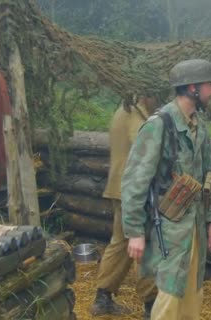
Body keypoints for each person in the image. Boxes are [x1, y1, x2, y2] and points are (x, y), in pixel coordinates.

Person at [121, 59, 211, 320]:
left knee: (191, 296)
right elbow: (135, 180)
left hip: (195, 226)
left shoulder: (199, 126)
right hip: (170, 230)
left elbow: (209, 174)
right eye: (209, 84)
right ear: (191, 88)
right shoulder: (159, 125)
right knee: (169, 298)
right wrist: (134, 232)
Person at [90, 96, 159, 318]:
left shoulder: (124, 109)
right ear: (146, 94)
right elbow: (145, 146)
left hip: (121, 187)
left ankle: (103, 297)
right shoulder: (135, 114)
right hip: (132, 191)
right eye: (155, 95)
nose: (158, 100)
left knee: (120, 243)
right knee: (145, 244)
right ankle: (151, 304)